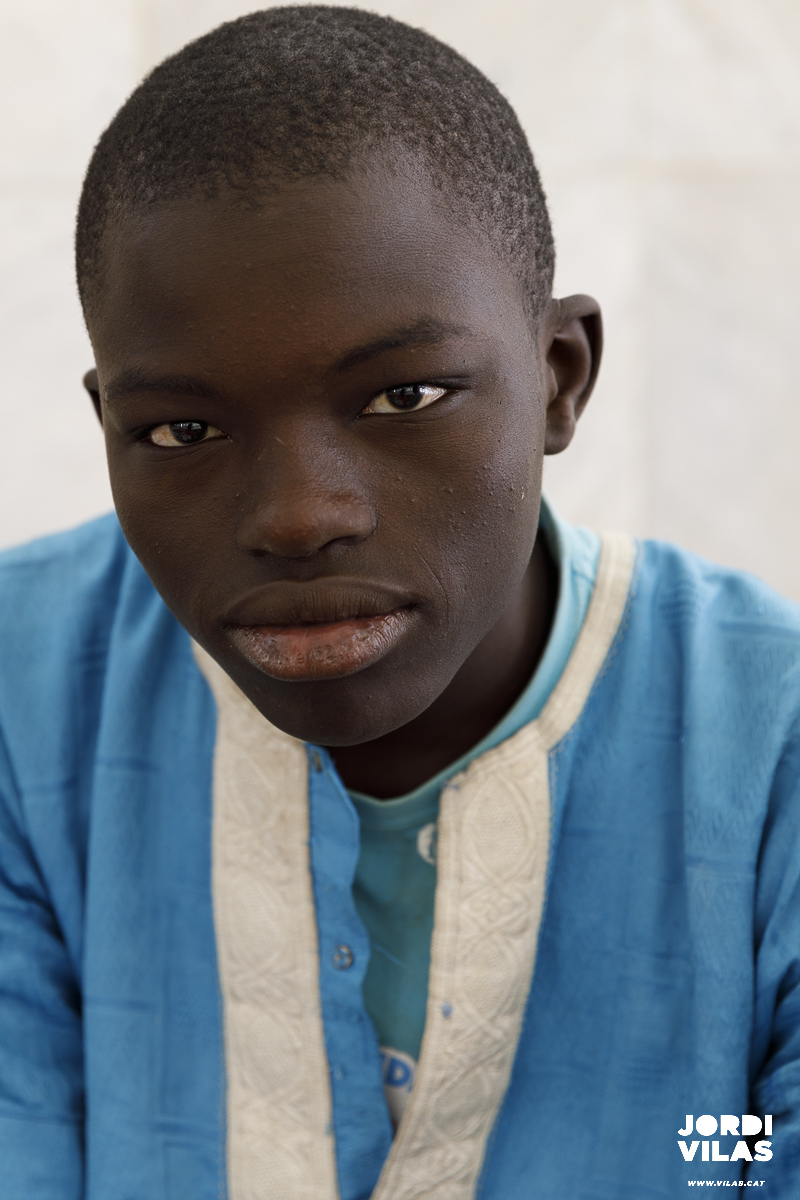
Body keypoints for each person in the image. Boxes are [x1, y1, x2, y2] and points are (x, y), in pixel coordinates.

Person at [1, 6, 798, 1197]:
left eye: (403, 397)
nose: (296, 517)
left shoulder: (768, 747)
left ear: (557, 380)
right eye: (182, 430)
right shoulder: (23, 696)